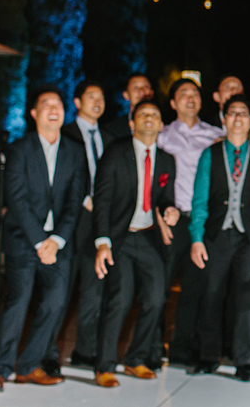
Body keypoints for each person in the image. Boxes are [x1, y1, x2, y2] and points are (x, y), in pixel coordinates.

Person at [0, 88, 90, 392]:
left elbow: (74, 200)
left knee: (56, 302)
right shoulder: (19, 150)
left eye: (57, 104)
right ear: (34, 114)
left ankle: (29, 365)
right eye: (46, 105)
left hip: (59, 243)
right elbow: (17, 200)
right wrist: (38, 242)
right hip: (23, 239)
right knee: (18, 301)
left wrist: (56, 240)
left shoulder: (75, 151)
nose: (53, 109)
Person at [186, 94, 250, 381]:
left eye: (243, 113)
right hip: (215, 236)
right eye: (232, 113)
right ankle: (208, 356)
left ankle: (244, 361)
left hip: (248, 238)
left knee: (247, 299)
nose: (238, 118)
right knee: (211, 294)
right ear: (224, 119)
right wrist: (197, 238)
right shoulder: (209, 155)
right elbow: (198, 200)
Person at [88, 100, 179, 387]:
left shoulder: (166, 159)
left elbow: (164, 197)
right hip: (120, 237)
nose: (149, 118)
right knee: (120, 299)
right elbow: (101, 201)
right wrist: (103, 242)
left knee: (155, 298)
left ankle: (135, 358)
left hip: (148, 236)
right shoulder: (115, 154)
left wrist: (170, 210)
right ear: (132, 123)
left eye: (154, 114)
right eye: (143, 114)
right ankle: (104, 366)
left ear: (162, 124)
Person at [157, 77, 224, 369]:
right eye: (183, 93)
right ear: (173, 103)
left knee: (194, 289)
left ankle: (182, 350)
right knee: (158, 287)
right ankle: (151, 347)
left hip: (203, 223)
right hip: (172, 221)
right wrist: (161, 213)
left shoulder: (216, 135)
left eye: (195, 92)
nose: (190, 97)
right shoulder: (161, 135)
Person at [61, 81, 112, 371]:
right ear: (77, 102)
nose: (98, 101)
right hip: (72, 220)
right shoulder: (66, 134)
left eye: (101, 96)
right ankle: (46, 354)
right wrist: (82, 198)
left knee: (95, 288)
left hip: (99, 223)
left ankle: (85, 350)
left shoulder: (108, 136)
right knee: (62, 288)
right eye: (91, 96)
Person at [107, 74, 155, 147]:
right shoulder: (112, 131)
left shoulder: (164, 128)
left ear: (152, 93)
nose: (142, 91)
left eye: (145, 86)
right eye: (135, 87)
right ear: (126, 95)